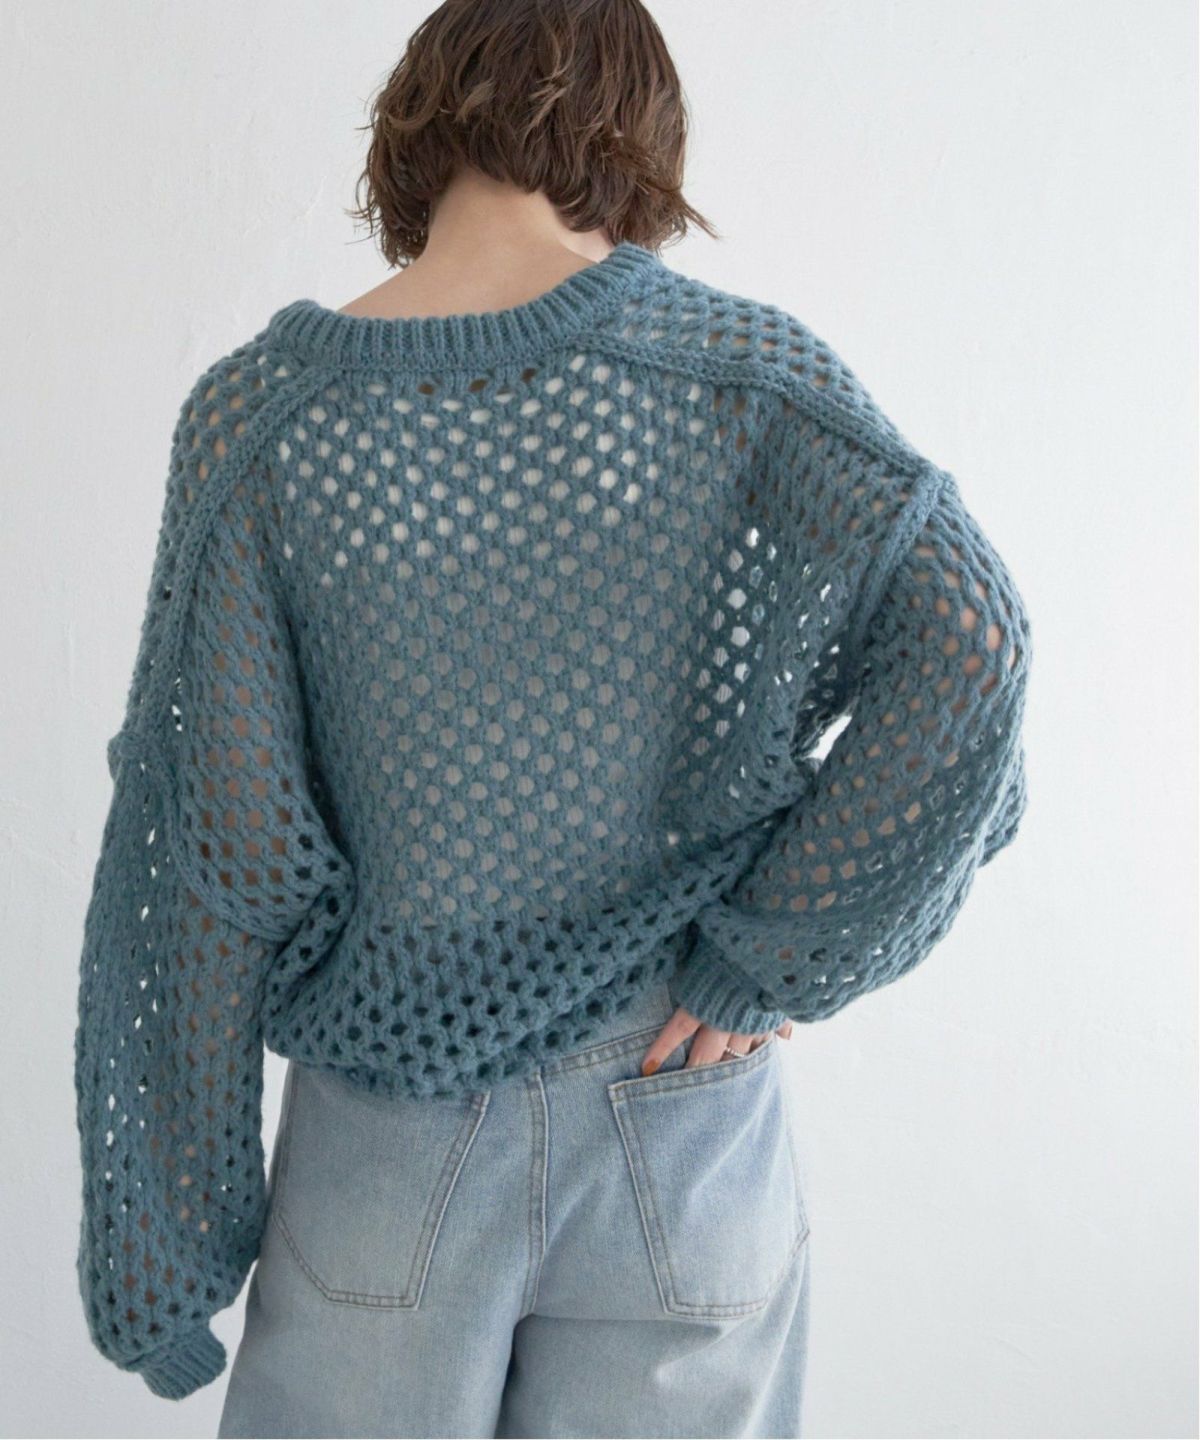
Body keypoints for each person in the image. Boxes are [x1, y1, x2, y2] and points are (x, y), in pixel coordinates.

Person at [72, 2, 1031, 1436]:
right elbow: (972, 641)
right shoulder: (742, 377)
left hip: (390, 1138)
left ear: (418, 120)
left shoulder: (263, 423)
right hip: (678, 1117)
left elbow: (220, 850)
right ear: (637, 139)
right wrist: (767, 957)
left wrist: (170, 1234)